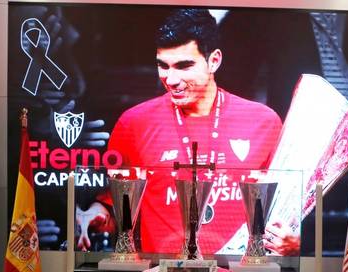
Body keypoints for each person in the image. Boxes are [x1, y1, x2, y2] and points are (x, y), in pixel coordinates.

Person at [76, 9, 285, 255]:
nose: (171, 79)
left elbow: (283, 211)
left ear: (214, 61)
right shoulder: (134, 123)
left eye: (184, 66)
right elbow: (117, 211)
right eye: (163, 66)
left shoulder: (262, 121)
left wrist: (289, 240)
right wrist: (96, 216)